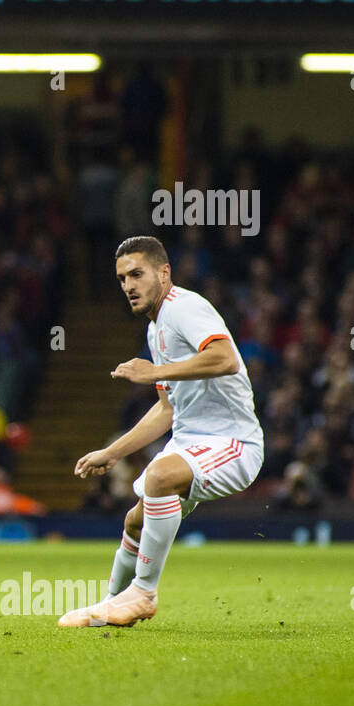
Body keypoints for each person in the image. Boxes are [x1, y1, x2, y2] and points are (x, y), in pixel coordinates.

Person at [62, 236, 263, 627]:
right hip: (191, 441)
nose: (128, 286)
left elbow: (224, 358)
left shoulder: (184, 307)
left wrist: (154, 371)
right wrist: (113, 452)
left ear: (164, 272)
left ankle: (144, 593)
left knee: (159, 476)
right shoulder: (156, 330)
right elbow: (166, 409)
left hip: (233, 442)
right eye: (122, 279)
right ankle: (110, 606)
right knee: (135, 521)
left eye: (136, 274)